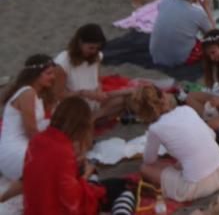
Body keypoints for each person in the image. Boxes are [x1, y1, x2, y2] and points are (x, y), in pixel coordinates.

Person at [131, 85, 219, 202]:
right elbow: (211, 135)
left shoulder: (155, 128)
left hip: (198, 186)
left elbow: (149, 161)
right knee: (182, 161)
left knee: (145, 168)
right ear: (164, 96)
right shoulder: (186, 110)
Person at [20, 96, 120, 215]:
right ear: (82, 125)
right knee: (122, 189)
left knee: (95, 177)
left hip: (34, 208)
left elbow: (41, 178)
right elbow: (72, 203)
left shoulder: (38, 139)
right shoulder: (63, 151)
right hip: (54, 209)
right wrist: (84, 175)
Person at [53, 24, 132, 122]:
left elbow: (97, 79)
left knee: (124, 99)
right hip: (74, 104)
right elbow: (58, 94)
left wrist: (98, 91)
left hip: (93, 100)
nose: (94, 51)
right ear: (80, 43)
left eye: (97, 48)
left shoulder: (96, 56)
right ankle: (94, 118)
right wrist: (83, 93)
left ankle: (94, 117)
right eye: (91, 48)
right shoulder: (62, 63)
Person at [0, 55, 54, 184]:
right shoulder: (27, 93)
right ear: (35, 74)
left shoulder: (34, 93)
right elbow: (31, 131)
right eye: (48, 73)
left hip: (23, 144)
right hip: (14, 152)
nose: (53, 77)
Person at [150, 0, 215, 68]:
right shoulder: (197, 13)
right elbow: (213, 34)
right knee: (212, 45)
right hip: (179, 58)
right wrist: (207, 7)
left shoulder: (165, 1)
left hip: (156, 55)